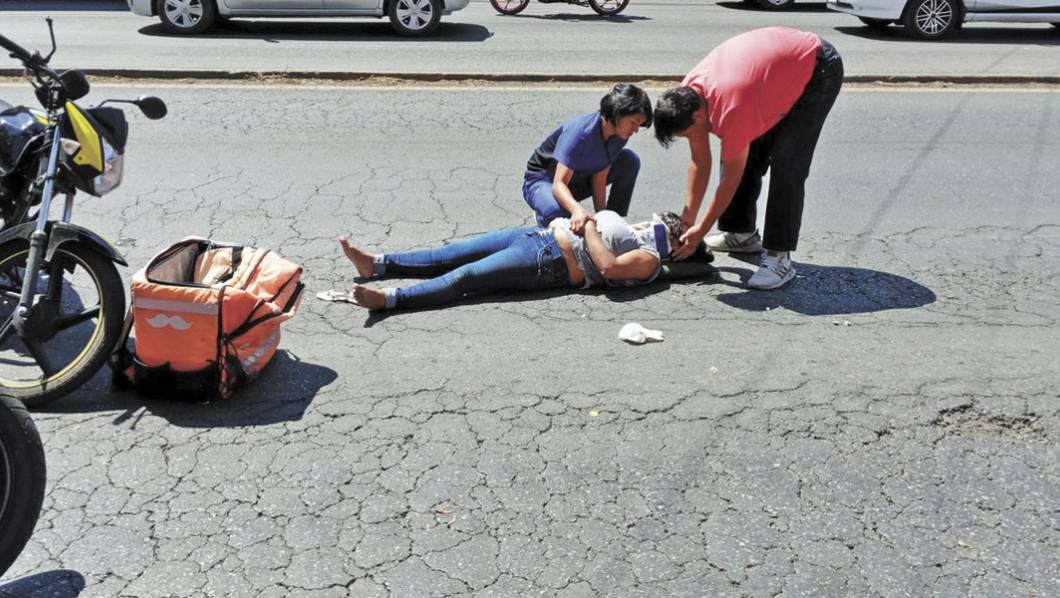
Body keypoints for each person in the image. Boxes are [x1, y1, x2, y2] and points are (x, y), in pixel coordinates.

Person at [652, 27, 843, 290]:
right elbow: (700, 162)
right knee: (745, 153)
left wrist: (702, 230)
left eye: (686, 134)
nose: (690, 139)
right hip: (770, 77)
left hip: (816, 69)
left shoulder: (732, 109)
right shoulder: (689, 94)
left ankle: (779, 257)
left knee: (787, 164)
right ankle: (741, 233)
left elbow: (730, 179)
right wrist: (689, 219)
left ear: (697, 117)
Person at [337, 211, 686, 311]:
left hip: (550, 263)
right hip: (539, 236)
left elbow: (608, 268)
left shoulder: (650, 259)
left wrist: (591, 224)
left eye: (669, 228)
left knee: (466, 278)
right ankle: (376, 264)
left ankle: (391, 299)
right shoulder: (636, 232)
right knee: (452, 253)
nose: (654, 225)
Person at [523, 84, 652, 235]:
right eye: (634, 123)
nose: (636, 130)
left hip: (578, 178)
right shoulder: (580, 133)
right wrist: (577, 210)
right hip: (544, 181)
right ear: (618, 113)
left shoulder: (619, 135)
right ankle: (544, 212)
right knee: (557, 213)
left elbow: (599, 177)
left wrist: (605, 220)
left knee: (629, 160)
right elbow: (559, 184)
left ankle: (615, 221)